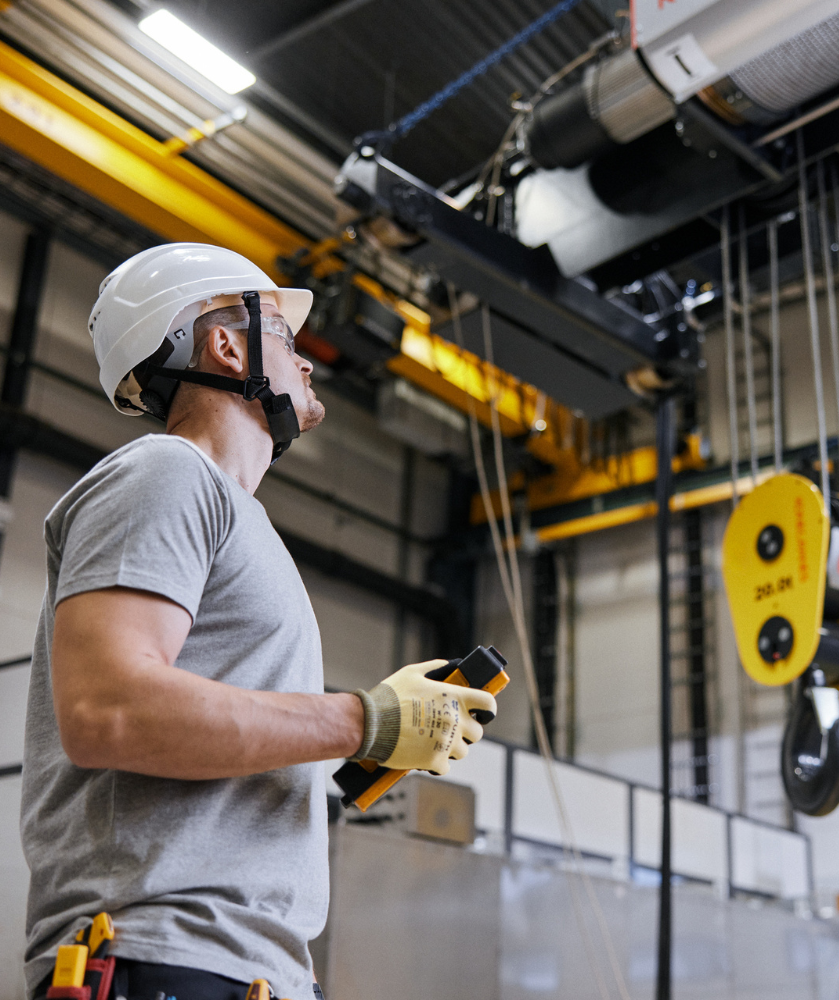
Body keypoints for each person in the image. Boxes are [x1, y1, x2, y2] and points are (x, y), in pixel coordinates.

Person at [19, 244, 497, 1000]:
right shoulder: (167, 473)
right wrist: (362, 719)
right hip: (161, 955)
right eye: (283, 334)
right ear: (225, 342)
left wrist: (375, 740)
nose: (307, 363)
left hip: (239, 970)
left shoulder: (240, 523)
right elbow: (106, 710)